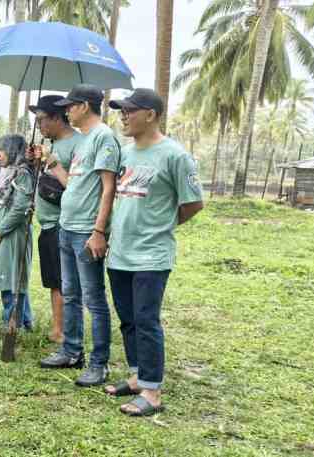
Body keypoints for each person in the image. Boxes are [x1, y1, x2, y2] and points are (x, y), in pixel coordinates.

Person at [103, 89, 204, 416]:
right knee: (128, 320)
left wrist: (162, 226)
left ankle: (152, 392)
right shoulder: (127, 154)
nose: (124, 116)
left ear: (151, 114)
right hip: (120, 252)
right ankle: (137, 377)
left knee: (146, 320)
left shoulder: (175, 155)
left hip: (152, 255)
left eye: (129, 111)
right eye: (122, 111)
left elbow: (193, 202)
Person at [37, 84, 121, 388]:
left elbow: (108, 187)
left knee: (93, 299)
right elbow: (72, 184)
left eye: (70, 106)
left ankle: (99, 363)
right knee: (70, 293)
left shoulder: (104, 138)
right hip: (66, 224)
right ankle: (72, 351)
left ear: (84, 106)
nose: (67, 111)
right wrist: (54, 165)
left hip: (86, 230)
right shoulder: (84, 142)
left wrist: (99, 231)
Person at [26, 96, 84, 343]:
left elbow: (78, 186)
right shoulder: (52, 144)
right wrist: (34, 162)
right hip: (47, 223)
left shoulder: (78, 144)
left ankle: (64, 331)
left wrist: (52, 162)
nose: (39, 126)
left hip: (65, 224)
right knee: (54, 280)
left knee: (65, 282)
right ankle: (58, 327)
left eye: (41, 120)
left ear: (57, 118)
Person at [0, 135, 34, 330]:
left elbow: (20, 208)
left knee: (13, 279)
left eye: (1, 150)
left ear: (13, 151)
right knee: (9, 276)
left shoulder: (22, 174)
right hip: (1, 233)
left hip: (14, 234)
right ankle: (25, 320)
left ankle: (12, 323)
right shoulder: (6, 173)